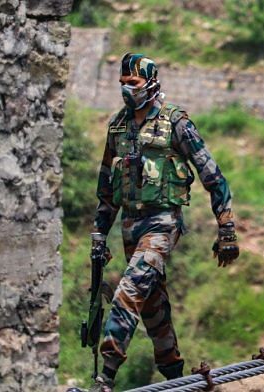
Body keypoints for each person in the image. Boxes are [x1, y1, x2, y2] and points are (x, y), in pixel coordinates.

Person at [89, 53, 240, 391]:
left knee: (129, 292)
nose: (128, 90)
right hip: (130, 226)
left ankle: (106, 377)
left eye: (134, 83)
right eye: (123, 84)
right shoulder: (117, 125)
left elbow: (212, 175)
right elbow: (106, 188)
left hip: (162, 223)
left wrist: (226, 226)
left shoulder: (176, 123)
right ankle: (176, 377)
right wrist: (99, 235)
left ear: (152, 83)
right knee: (153, 305)